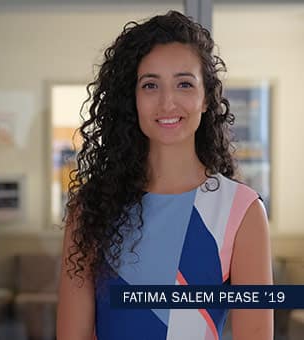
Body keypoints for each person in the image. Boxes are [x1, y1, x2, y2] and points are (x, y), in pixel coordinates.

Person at [55, 11, 273, 340]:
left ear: (205, 98)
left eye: (184, 84)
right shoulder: (91, 209)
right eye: (150, 85)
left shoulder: (242, 212)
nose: (167, 102)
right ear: (133, 99)